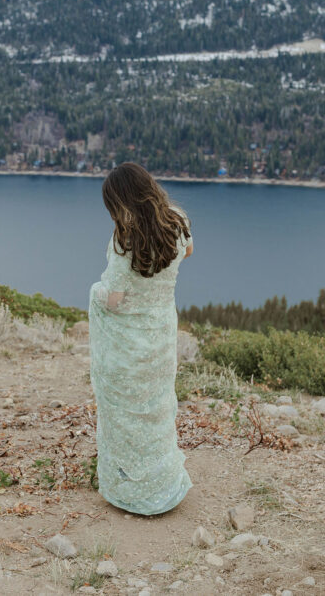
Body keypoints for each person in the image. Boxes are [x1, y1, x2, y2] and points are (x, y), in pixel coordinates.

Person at [89, 162, 194, 515]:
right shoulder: (177, 220)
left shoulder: (124, 242)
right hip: (162, 334)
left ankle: (132, 490)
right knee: (157, 408)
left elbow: (115, 299)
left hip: (129, 345)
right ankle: (163, 482)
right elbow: (189, 251)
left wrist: (95, 292)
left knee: (125, 412)